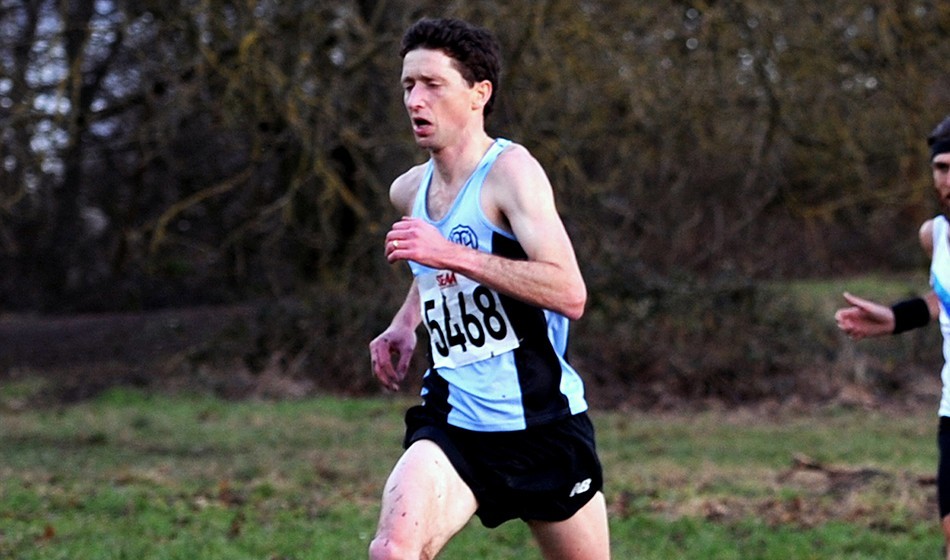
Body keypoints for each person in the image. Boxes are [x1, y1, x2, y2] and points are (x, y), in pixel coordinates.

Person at [367, 17, 610, 560]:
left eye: (433, 84)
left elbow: (569, 292)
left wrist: (449, 254)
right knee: (392, 550)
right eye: (408, 85)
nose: (415, 100)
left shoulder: (512, 174)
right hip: (453, 421)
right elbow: (433, 272)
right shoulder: (408, 190)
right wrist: (406, 323)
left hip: (543, 423)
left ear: (479, 94)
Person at [835, 114, 950, 558]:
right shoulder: (935, 236)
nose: (948, 180)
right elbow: (943, 299)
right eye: (941, 168)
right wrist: (895, 318)